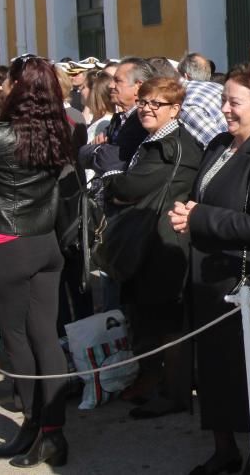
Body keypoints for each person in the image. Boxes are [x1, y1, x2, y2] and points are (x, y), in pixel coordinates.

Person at [168, 65, 250, 475]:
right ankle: (223, 449)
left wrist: (199, 217)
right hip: (211, 278)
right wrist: (186, 212)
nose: (224, 109)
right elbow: (200, 196)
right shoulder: (220, 144)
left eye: (233, 102)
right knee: (215, 371)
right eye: (223, 99)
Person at [0, 56, 75, 467]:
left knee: (19, 342)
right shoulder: (58, 130)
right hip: (44, 245)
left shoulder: (1, 136)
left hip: (7, 246)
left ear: (19, 88)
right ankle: (45, 431)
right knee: (44, 338)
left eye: (9, 82)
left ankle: (38, 426)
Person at [103, 76, 203, 419]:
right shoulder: (157, 140)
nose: (146, 109)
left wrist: (110, 178)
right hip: (149, 241)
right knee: (151, 319)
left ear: (175, 109)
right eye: (143, 101)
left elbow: (131, 185)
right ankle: (158, 384)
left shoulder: (173, 146)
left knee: (169, 324)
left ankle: (173, 394)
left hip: (163, 244)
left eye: (155, 104)